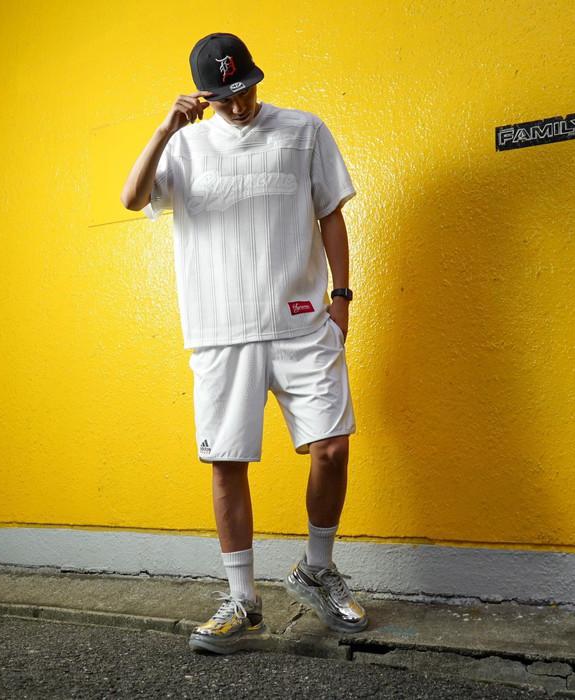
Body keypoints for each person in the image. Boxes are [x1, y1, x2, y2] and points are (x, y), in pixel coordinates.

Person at [121, 32, 368, 655]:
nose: (237, 105)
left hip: (302, 321)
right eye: (223, 97)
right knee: (228, 463)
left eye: (245, 90)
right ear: (203, 96)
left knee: (332, 446)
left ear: (256, 78)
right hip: (221, 330)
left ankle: (317, 570)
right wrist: (164, 129)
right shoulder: (184, 145)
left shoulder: (304, 130)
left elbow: (330, 214)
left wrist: (342, 299)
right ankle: (243, 601)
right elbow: (131, 198)